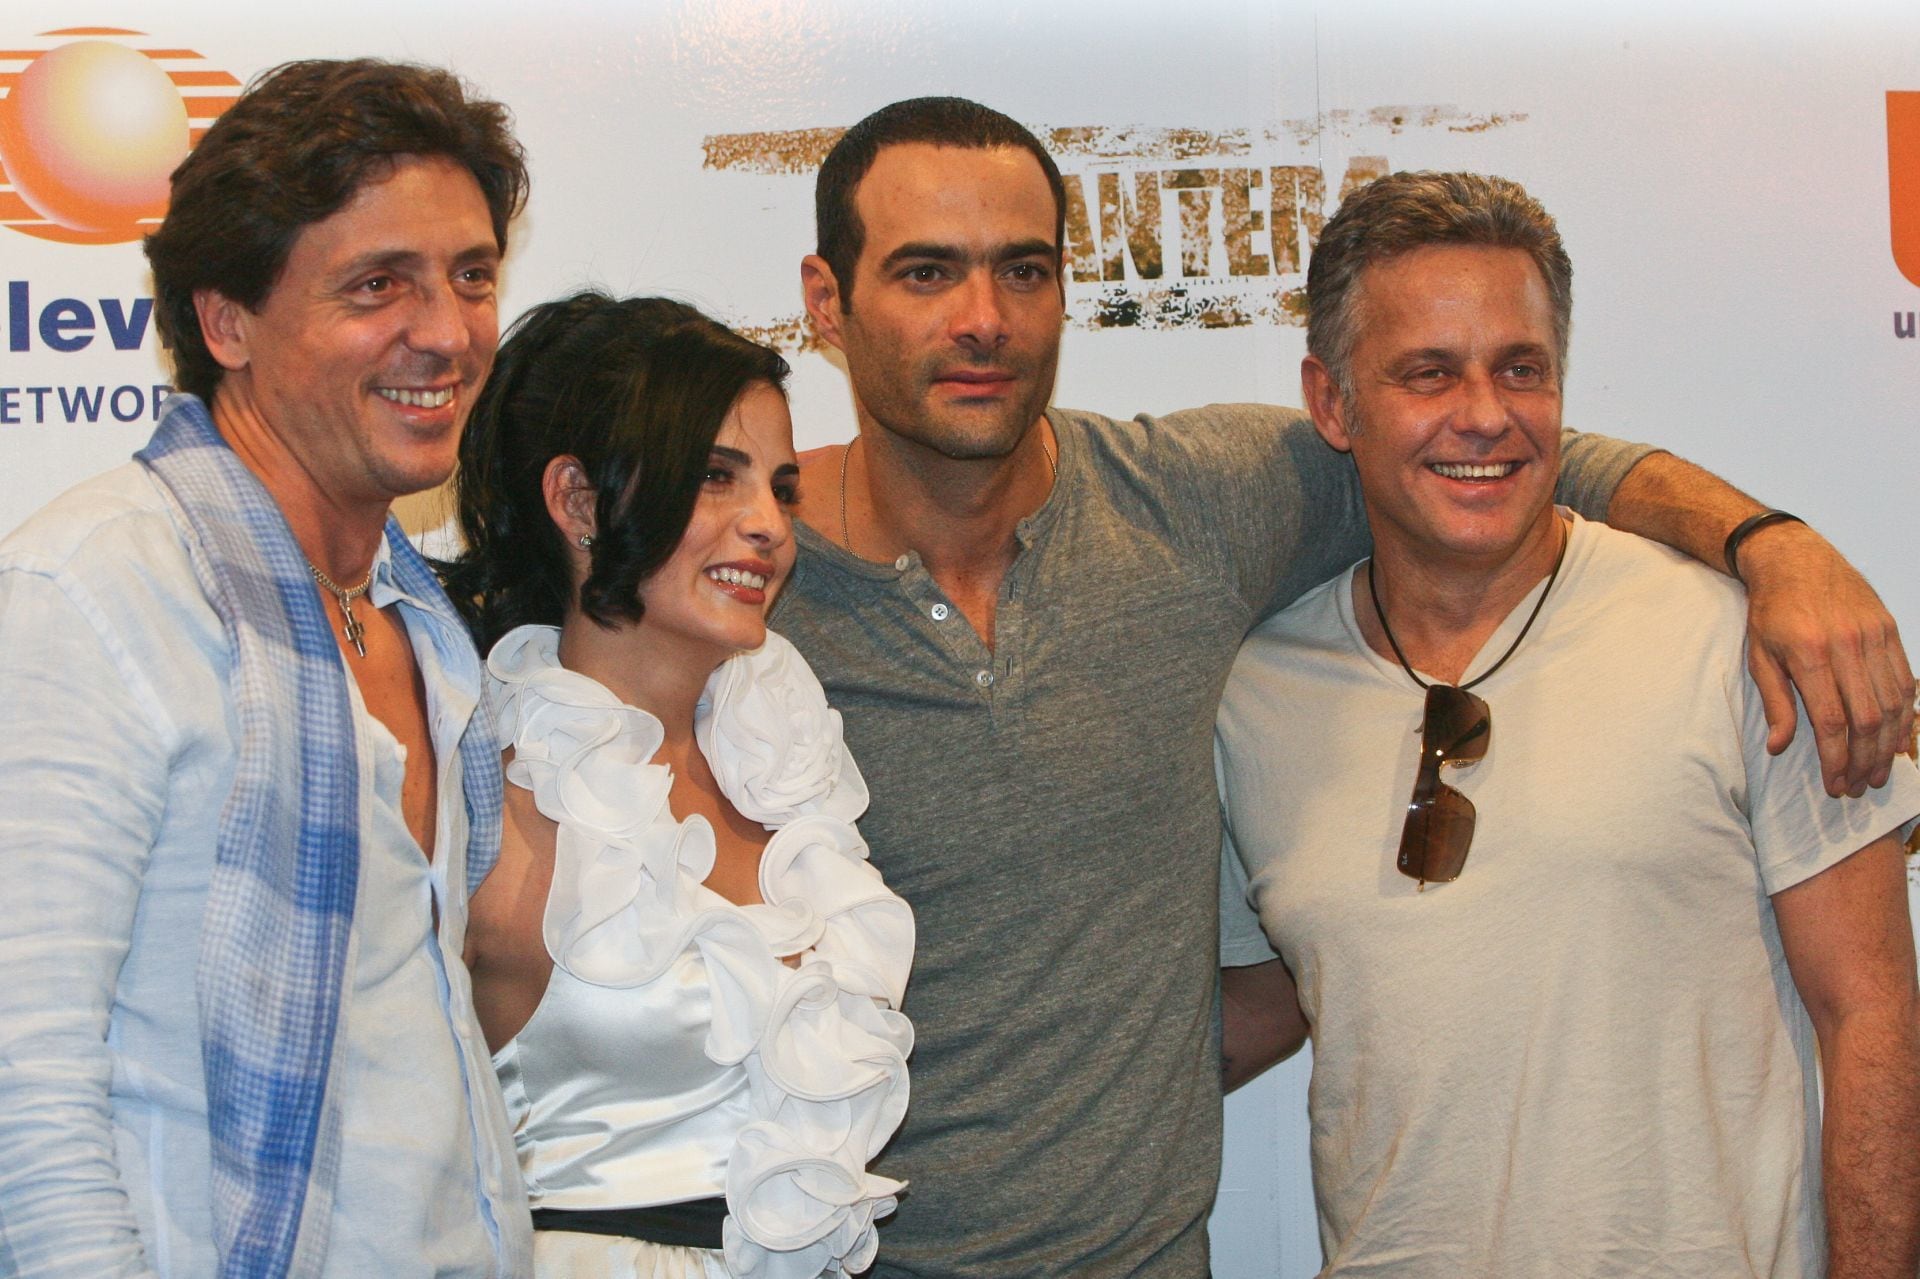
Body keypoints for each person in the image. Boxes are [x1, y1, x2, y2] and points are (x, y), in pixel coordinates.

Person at [770, 96, 1917, 1276]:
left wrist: (1770, 541)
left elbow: (1496, 452)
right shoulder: (740, 582)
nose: (982, 320)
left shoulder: (1189, 509)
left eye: (1023, 271)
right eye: (924, 273)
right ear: (826, 301)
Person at [1216, 170, 1920, 1276]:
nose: (1486, 414)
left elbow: (1873, 1016)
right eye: (1429, 373)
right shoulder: (1256, 695)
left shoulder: (1743, 639)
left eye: (1521, 369)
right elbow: (1269, 997)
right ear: (1332, 402)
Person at [0, 60, 531, 1277]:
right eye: (375, 285)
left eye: (471, 276)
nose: (446, 333)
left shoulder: (423, 618)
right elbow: (25, 1093)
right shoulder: (93, 593)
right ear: (225, 320)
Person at [443, 292, 912, 1279]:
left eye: (780, 487)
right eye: (713, 477)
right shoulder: (474, 797)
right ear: (576, 501)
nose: (767, 527)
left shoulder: (796, 773)